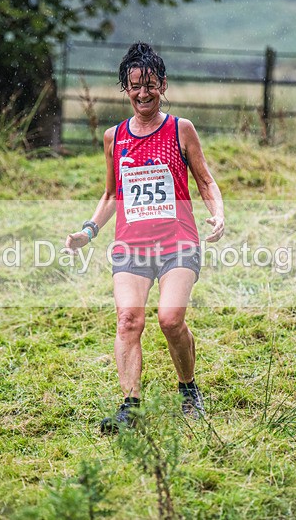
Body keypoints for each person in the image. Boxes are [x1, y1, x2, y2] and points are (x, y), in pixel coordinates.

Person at [65, 42, 224, 434]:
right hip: (131, 247)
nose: (143, 93)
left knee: (170, 320)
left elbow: (205, 181)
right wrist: (88, 230)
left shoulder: (180, 129)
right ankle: (130, 408)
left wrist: (218, 214)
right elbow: (110, 195)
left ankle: (188, 389)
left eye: (150, 84)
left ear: (163, 85)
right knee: (128, 320)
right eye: (134, 85)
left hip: (178, 243)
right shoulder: (113, 137)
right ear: (125, 89)